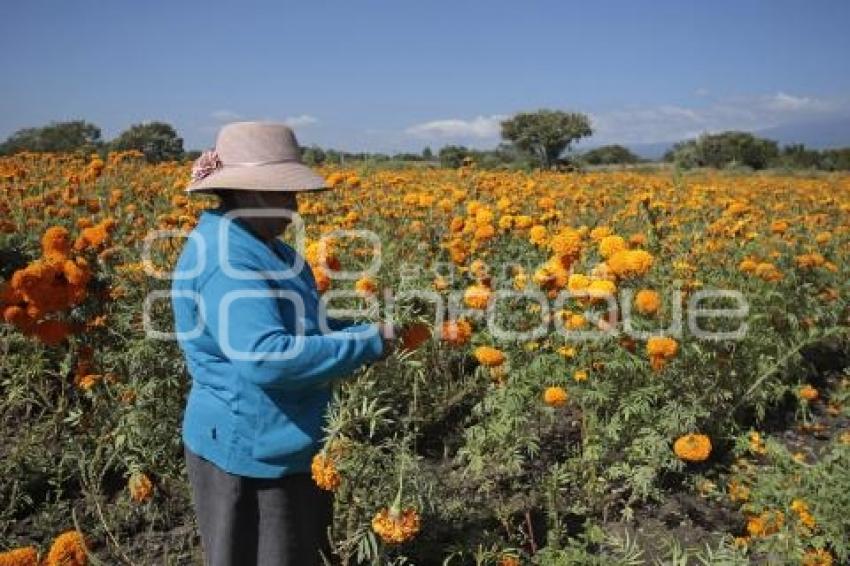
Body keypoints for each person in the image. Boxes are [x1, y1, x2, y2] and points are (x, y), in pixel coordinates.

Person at [171, 121, 397, 566]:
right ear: (250, 192)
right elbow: (268, 357)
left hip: (280, 438)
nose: (296, 207)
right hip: (251, 451)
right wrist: (368, 345)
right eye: (285, 194)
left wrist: (356, 327)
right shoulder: (229, 260)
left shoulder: (263, 245)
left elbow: (298, 322)